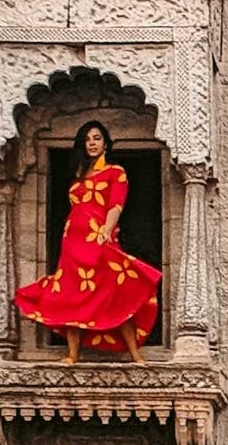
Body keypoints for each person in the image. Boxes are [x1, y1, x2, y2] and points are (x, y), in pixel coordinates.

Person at [12, 121, 161, 363]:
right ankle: (72, 354)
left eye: (96, 138)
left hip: (100, 236)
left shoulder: (115, 172)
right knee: (73, 292)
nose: (91, 143)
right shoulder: (79, 176)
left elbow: (116, 204)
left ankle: (135, 355)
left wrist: (105, 230)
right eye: (87, 140)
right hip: (73, 242)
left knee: (114, 290)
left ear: (105, 144)